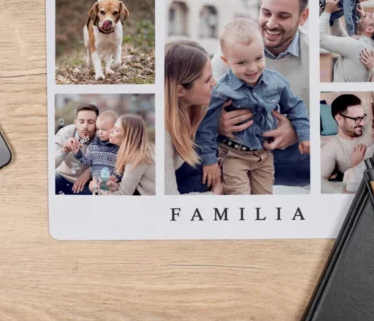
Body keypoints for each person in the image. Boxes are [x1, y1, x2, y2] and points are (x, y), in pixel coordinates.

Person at [211, 0, 310, 187]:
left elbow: (318, 116)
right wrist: (216, 122)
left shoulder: (314, 57)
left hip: (284, 154)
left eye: (283, 16)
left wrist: (298, 131)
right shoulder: (230, 50)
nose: (271, 24)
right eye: (266, 13)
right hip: (232, 149)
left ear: (303, 17)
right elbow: (202, 102)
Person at [195, 19, 310, 195]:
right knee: (239, 198)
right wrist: (209, 161)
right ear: (226, 61)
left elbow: (295, 106)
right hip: (234, 154)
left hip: (265, 155)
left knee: (264, 198)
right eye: (241, 63)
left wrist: (303, 134)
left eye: (258, 58)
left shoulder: (276, 82)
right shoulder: (222, 91)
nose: (252, 68)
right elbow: (207, 128)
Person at [164, 40, 221, 195]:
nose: (214, 83)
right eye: (207, 80)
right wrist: (215, 195)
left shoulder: (200, 106)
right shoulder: (163, 131)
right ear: (180, 91)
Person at [320, 0, 374, 82]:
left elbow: (319, 38)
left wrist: (327, 11)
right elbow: (339, 35)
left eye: (370, 16)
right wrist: (337, 11)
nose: (364, 13)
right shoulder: (366, 45)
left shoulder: (357, 46)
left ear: (370, 29)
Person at [321, 94, 373, 183]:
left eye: (362, 117)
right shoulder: (331, 148)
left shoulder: (373, 127)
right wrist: (356, 166)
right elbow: (320, 182)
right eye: (357, 119)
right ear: (339, 119)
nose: (363, 123)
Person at [99, 114, 155, 195]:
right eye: (114, 127)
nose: (110, 131)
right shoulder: (147, 149)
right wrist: (117, 186)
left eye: (116, 130)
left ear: (128, 136)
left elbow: (123, 195)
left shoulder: (137, 158)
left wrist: (99, 189)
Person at [54, 103, 99, 195]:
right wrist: (64, 151)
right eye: (81, 122)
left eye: (90, 122)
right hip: (62, 176)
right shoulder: (64, 133)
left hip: (85, 183)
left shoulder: (102, 138)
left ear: (97, 124)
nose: (85, 126)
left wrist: (89, 171)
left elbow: (109, 162)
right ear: (75, 123)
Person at [72, 110, 121, 192]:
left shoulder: (119, 148)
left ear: (114, 129)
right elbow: (86, 162)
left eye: (104, 129)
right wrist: (78, 153)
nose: (100, 133)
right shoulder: (92, 146)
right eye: (98, 129)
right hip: (95, 187)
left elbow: (122, 169)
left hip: (112, 188)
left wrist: (117, 177)